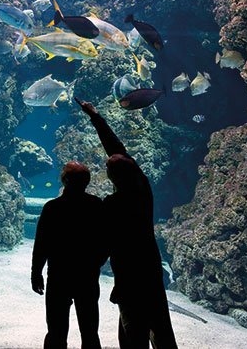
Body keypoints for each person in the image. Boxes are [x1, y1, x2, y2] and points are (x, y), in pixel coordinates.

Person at [75, 97, 178, 349]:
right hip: (150, 266)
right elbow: (117, 149)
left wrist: (87, 267)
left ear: (111, 177)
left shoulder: (111, 205)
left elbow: (103, 244)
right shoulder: (143, 190)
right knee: (161, 326)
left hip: (128, 273)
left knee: (133, 330)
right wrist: (95, 116)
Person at [31, 160, 108, 349]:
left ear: (64, 180)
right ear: (87, 182)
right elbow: (106, 241)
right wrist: (95, 263)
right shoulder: (96, 205)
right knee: (90, 332)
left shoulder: (52, 208)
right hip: (87, 277)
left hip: (59, 276)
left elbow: (41, 245)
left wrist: (36, 273)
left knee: (56, 332)